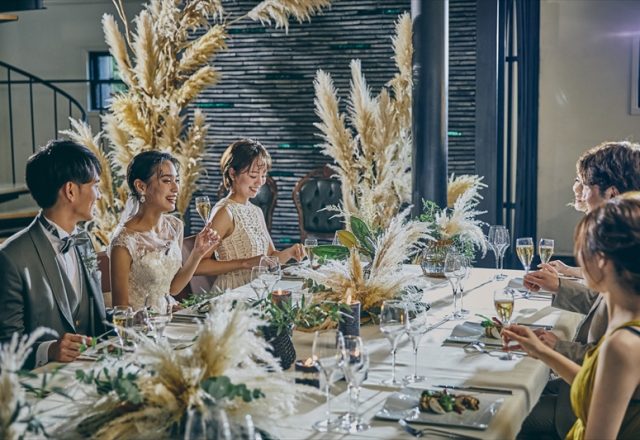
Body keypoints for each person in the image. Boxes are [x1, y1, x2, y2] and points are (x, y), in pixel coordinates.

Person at [520, 141, 640, 438]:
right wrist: (544, 351)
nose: (578, 267)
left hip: (576, 417)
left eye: (582, 253)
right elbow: (605, 381)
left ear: (603, 260)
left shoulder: (624, 343)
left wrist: (556, 347)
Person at [0, 140, 107, 368]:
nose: (99, 195)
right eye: (95, 186)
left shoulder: (84, 241)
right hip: (45, 388)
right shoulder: (11, 256)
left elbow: (97, 318)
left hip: (93, 374)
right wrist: (48, 349)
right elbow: (6, 345)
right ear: (71, 191)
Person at [110, 151, 219, 311]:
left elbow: (173, 288)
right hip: (143, 329)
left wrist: (197, 253)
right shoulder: (124, 241)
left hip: (170, 317)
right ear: (141, 186)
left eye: (177, 181)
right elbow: (121, 311)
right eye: (167, 181)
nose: (175, 188)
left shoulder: (175, 226)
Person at [196, 139, 304, 290]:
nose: (260, 182)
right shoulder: (224, 212)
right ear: (233, 173)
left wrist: (291, 252)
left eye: (263, 175)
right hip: (232, 294)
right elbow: (198, 266)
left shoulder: (256, 211)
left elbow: (270, 256)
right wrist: (244, 263)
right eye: (253, 175)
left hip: (258, 291)